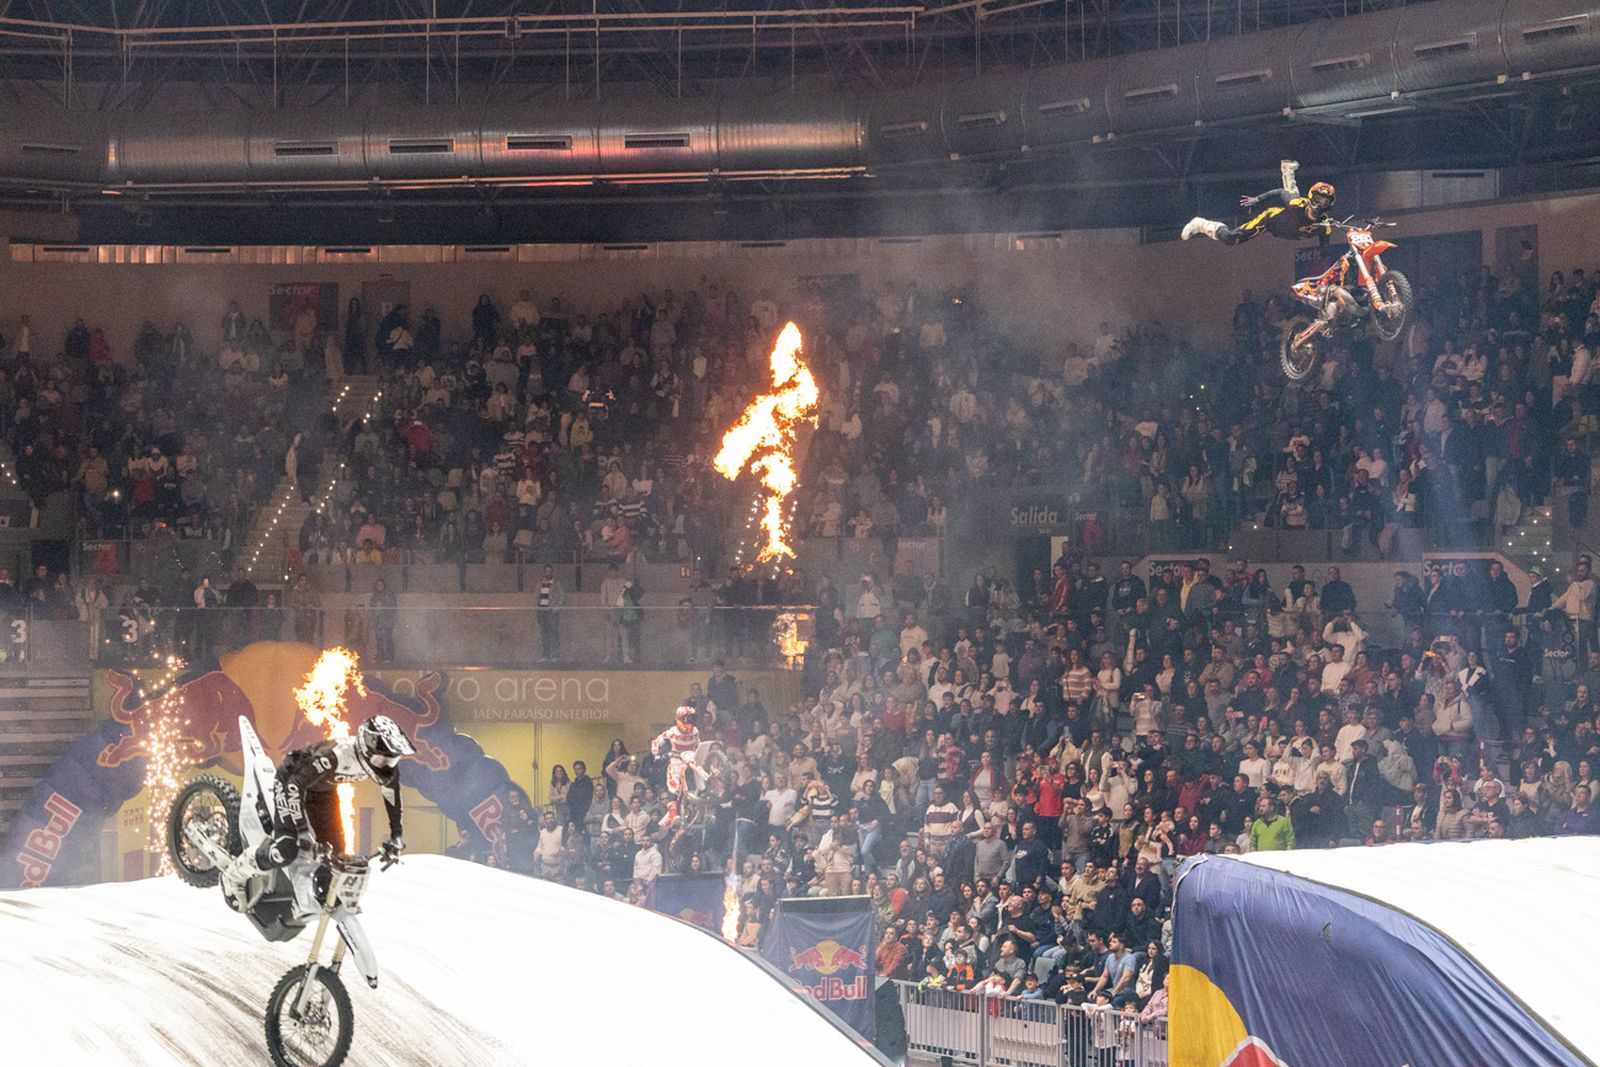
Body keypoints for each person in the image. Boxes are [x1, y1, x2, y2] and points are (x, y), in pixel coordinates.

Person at [221, 714, 416, 900]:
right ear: (367, 748)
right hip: (290, 781)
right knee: (286, 849)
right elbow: (295, 785)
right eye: (383, 759)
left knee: (336, 857)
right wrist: (302, 831)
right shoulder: (336, 755)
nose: (387, 765)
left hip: (322, 792)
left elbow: (392, 796)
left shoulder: (387, 769)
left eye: (393, 760)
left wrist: (396, 836)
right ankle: (233, 874)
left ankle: (310, 898)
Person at [1181, 160, 1336, 245]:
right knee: (1232, 239)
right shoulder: (1298, 205)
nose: (1319, 205)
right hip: (1270, 220)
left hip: (1285, 230)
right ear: (1311, 198)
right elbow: (1280, 192)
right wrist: (1258, 199)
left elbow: (1325, 248)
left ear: (1329, 205)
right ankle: (1201, 224)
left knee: (1292, 195)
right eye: (1317, 200)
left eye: (1324, 202)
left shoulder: (1325, 226)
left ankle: (1288, 169)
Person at [650, 704, 702, 830]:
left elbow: (698, 744)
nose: (689, 721)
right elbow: (656, 741)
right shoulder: (672, 732)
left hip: (691, 759)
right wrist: (656, 754)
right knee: (674, 783)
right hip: (677, 760)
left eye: (691, 718)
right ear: (679, 718)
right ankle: (672, 813)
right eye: (686, 719)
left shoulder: (695, 731)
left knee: (699, 780)